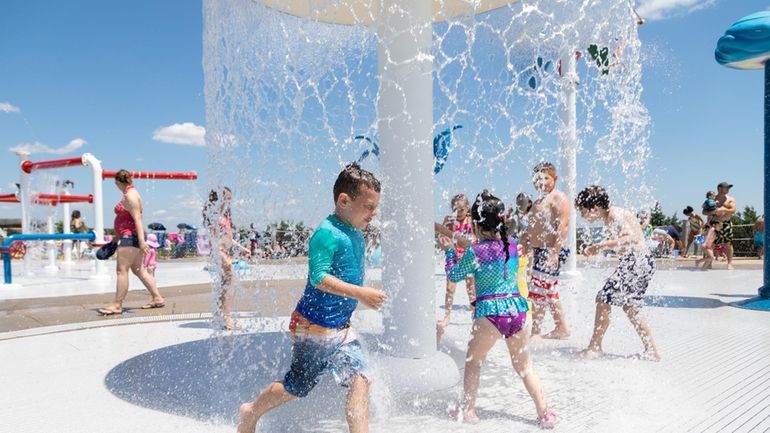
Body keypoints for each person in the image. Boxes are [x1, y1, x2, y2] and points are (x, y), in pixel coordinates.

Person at [237, 162, 386, 433]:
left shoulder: (355, 231)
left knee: (360, 378)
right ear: (344, 200)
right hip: (312, 327)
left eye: (375, 206)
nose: (374, 213)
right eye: (368, 206)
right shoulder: (326, 233)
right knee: (296, 387)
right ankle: (251, 411)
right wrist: (361, 294)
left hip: (341, 327)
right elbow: (319, 278)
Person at [439, 190, 555, 429]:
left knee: (473, 361)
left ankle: (469, 411)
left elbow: (454, 274)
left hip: (490, 313)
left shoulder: (474, 252)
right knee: (525, 367)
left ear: (475, 224)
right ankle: (544, 413)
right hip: (517, 311)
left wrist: (450, 250)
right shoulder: (511, 246)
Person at [575, 186, 660, 361]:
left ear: (595, 208)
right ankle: (652, 350)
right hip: (642, 261)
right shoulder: (612, 215)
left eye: (583, 211)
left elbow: (630, 238)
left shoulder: (613, 215)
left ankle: (595, 347)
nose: (582, 216)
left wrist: (599, 246)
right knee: (630, 306)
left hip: (637, 261)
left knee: (603, 298)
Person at [98, 170, 165, 315]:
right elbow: (126, 220)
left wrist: (141, 242)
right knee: (138, 270)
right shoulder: (131, 193)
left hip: (131, 238)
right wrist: (116, 238)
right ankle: (157, 298)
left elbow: (137, 219)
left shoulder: (130, 196)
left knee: (121, 271)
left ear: (117, 182)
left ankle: (117, 305)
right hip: (129, 237)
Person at [521, 162, 571, 340]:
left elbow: (563, 226)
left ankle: (536, 331)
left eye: (545, 178)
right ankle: (561, 327)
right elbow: (533, 227)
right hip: (540, 250)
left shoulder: (558, 197)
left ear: (555, 179)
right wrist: (526, 242)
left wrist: (555, 252)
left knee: (538, 291)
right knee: (549, 291)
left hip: (551, 250)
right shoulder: (539, 201)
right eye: (537, 179)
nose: (541, 182)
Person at [203, 186, 251, 330]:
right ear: (218, 199)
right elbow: (214, 238)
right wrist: (220, 254)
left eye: (230, 199)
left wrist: (242, 248)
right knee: (229, 283)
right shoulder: (214, 215)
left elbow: (228, 238)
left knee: (226, 283)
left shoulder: (225, 216)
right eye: (227, 198)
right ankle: (226, 317)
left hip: (225, 251)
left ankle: (220, 315)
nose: (229, 202)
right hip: (219, 252)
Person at [436, 193, 477, 344]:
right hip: (454, 257)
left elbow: (477, 238)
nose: (458, 212)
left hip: (468, 258)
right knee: (450, 288)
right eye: (455, 209)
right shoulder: (449, 220)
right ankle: (447, 315)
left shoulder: (472, 221)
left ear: (467, 208)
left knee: (471, 290)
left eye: (461, 209)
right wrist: (443, 241)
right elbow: (441, 236)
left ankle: (474, 315)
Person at [701, 182, 737, 270]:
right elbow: (704, 211)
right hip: (714, 223)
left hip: (726, 223)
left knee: (728, 243)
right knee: (710, 244)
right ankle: (709, 262)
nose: (728, 189)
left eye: (729, 188)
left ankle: (730, 263)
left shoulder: (730, 199)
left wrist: (724, 209)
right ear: (720, 188)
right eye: (726, 188)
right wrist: (712, 212)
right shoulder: (712, 199)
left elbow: (733, 210)